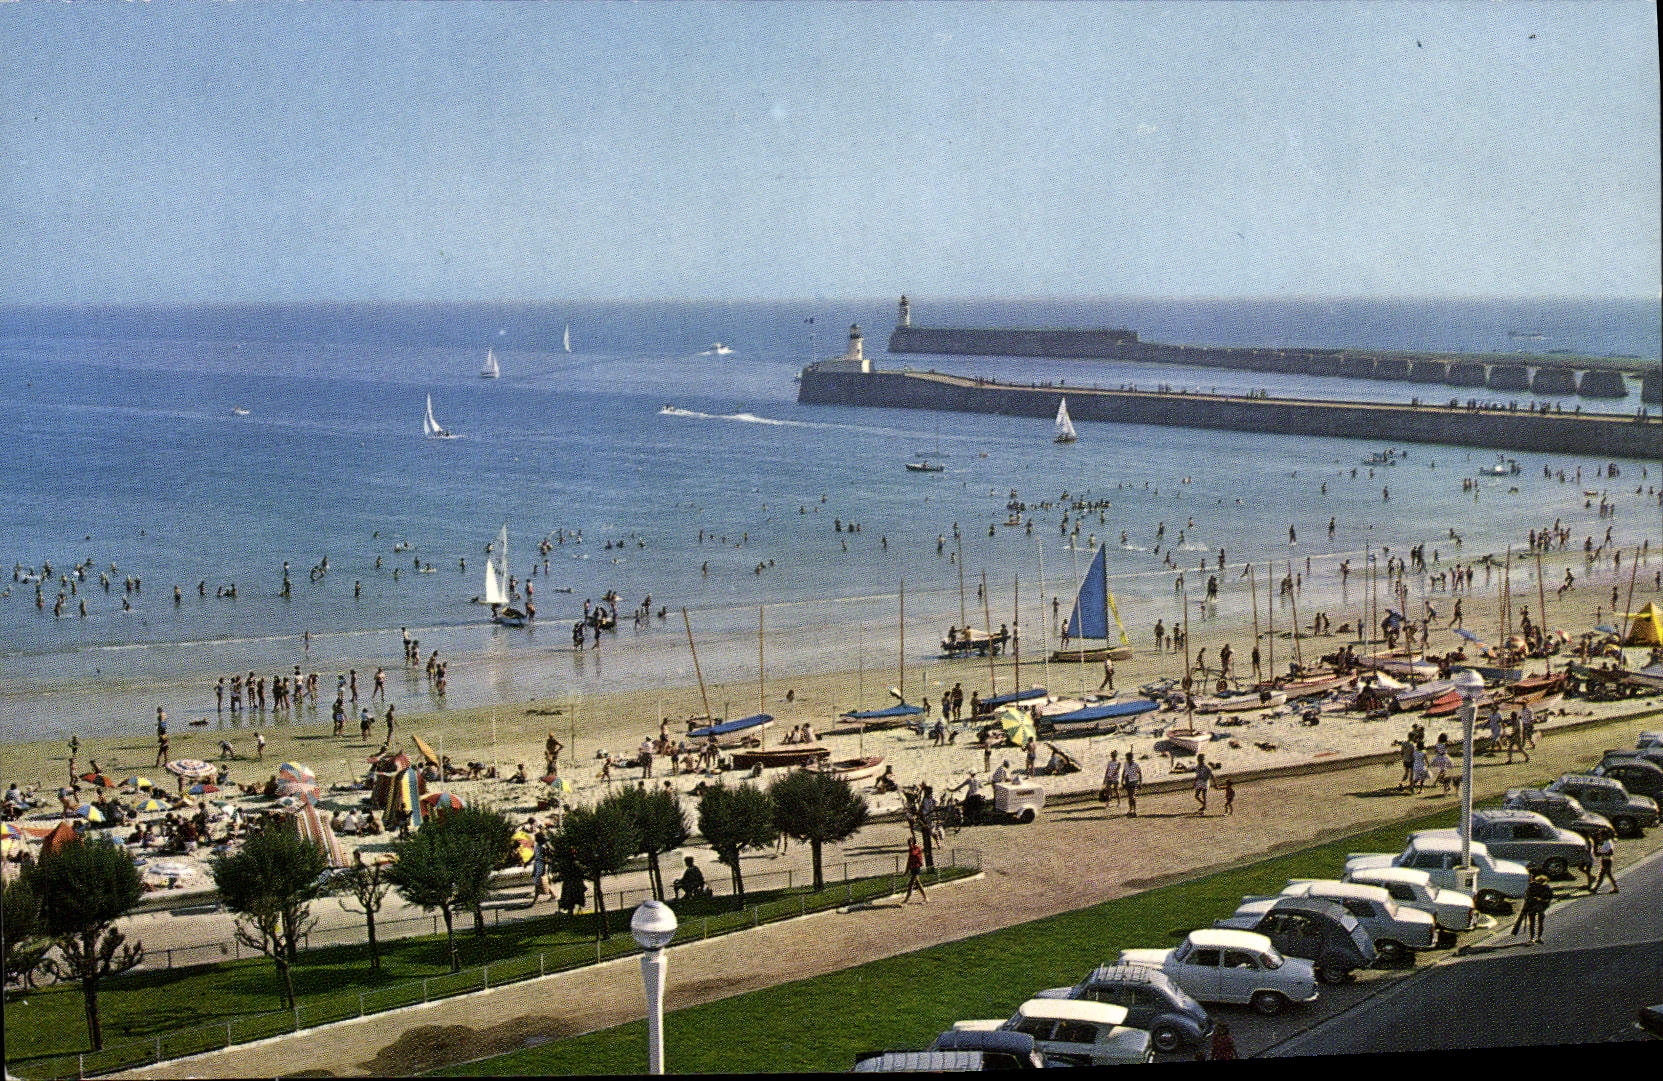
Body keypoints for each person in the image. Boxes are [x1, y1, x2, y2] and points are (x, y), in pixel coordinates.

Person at [1512, 874, 1553, 943]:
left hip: (1536, 907)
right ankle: (1536, 938)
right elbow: (1529, 897)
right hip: (1534, 907)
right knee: (1536, 922)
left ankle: (1534, 938)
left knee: (1535, 922)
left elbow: (1548, 898)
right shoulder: (1541, 887)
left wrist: (1540, 900)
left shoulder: (1542, 887)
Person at [902, 836, 928, 903]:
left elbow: (916, 856)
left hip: (916, 868)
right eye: (908, 842)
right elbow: (909, 861)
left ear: (914, 842)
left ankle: (906, 900)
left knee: (911, 884)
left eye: (910, 842)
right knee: (918, 884)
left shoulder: (917, 848)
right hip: (912, 869)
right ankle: (925, 898)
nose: (909, 844)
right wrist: (906, 870)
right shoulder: (911, 849)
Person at [1122, 752, 1142, 817]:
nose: (1127, 758)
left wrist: (1140, 783)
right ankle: (1130, 809)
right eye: (1126, 757)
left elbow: (1139, 773)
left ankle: (1134, 810)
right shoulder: (1125, 764)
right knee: (1129, 796)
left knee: (1132, 796)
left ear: (1131, 757)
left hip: (1133, 781)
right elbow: (1124, 772)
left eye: (1128, 757)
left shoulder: (1135, 764)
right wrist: (1122, 781)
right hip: (1127, 781)